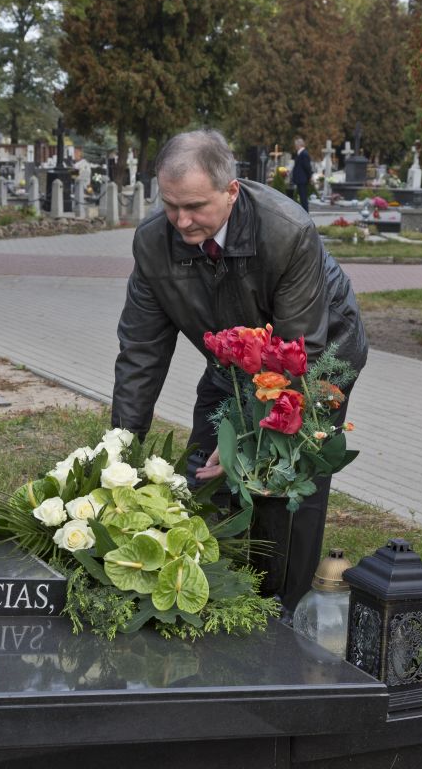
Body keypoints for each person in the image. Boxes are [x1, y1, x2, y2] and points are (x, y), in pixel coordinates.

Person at [111, 129, 368, 614]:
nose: (181, 221)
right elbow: (141, 352)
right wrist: (119, 452)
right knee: (203, 469)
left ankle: (283, 608)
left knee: (287, 475)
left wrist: (245, 441)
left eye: (195, 206)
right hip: (231, 359)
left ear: (231, 191)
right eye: (170, 205)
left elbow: (298, 354)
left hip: (317, 358)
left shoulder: (286, 230)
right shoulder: (152, 244)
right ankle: (211, 590)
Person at [290, 137, 312, 213]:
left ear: (299, 145)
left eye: (296, 145)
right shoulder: (300, 153)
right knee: (302, 197)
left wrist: (309, 177)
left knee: (303, 198)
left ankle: (306, 213)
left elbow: (307, 167)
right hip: (300, 179)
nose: (295, 146)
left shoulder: (304, 154)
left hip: (302, 179)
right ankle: (304, 212)